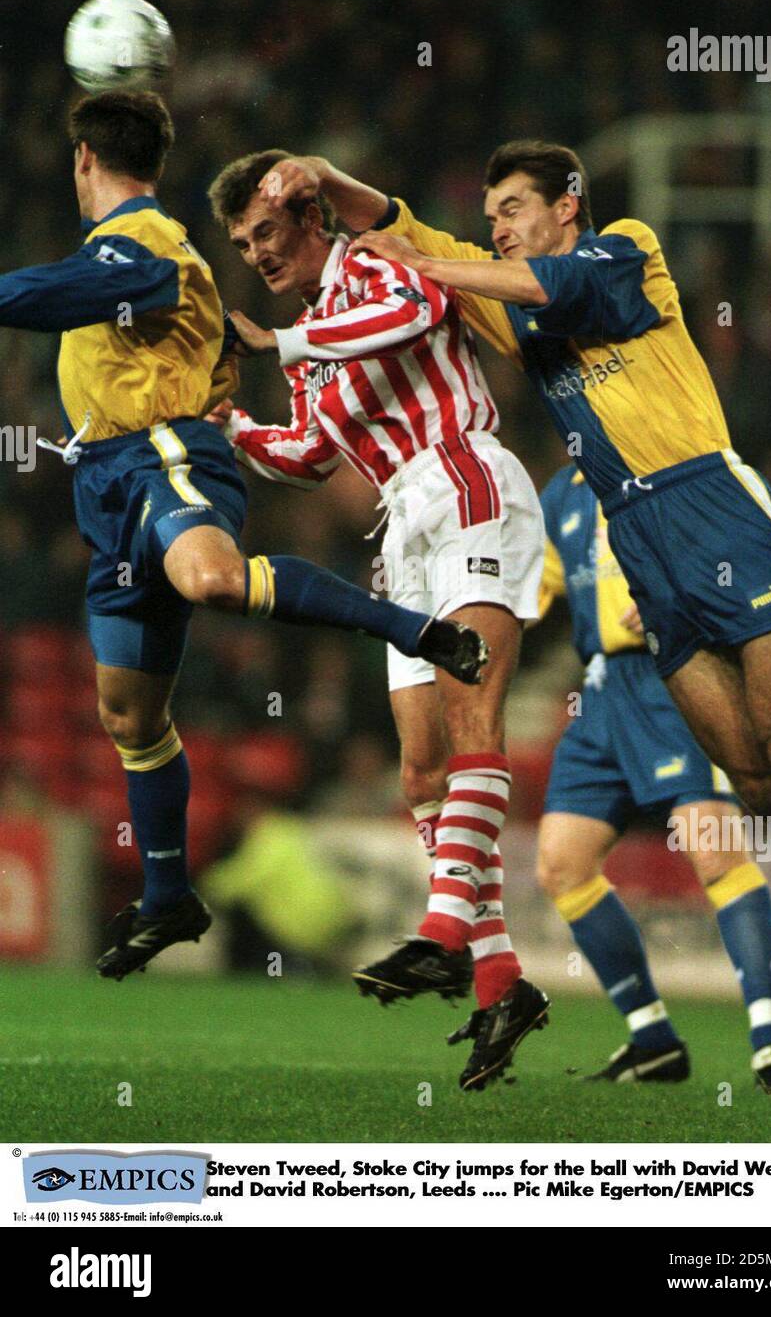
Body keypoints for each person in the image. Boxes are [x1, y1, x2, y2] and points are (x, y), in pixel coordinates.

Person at [256, 146, 771, 1085]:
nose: (496, 223)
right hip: (640, 543)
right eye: (488, 209)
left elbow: (503, 274)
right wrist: (332, 184)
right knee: (750, 776)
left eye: (513, 206)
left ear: (566, 204)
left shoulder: (625, 249)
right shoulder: (509, 295)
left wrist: (418, 269)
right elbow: (405, 226)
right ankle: (668, 1026)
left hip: (707, 499)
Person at [0, 93, 486, 982]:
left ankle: (412, 628)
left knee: (213, 580)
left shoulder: (143, 238)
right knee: (128, 719)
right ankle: (168, 896)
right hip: (106, 488)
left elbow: (57, 294)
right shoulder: (139, 254)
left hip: (163, 457)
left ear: (82, 160)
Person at [204, 150, 549, 1091]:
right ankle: (502, 978)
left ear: (309, 217)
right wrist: (226, 427)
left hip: (466, 474)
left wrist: (277, 345)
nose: (257, 256)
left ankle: (442, 934)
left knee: (475, 717)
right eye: (242, 245)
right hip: (400, 525)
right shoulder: (315, 329)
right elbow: (312, 453)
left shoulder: (370, 260)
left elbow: (424, 309)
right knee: (420, 766)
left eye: (266, 233)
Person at [534, 466, 771, 1093]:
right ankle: (652, 1039)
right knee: (561, 864)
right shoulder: (561, 493)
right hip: (600, 689)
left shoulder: (671, 463)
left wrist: (678, 597)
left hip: (675, 673)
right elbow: (529, 589)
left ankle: (770, 1038)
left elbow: (739, 555)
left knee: (711, 846)